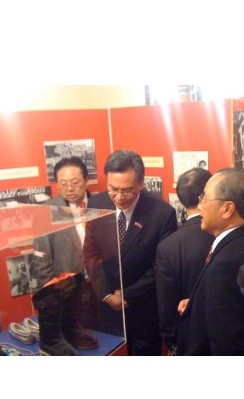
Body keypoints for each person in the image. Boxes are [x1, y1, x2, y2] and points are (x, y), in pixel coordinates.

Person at [176, 168, 244, 355]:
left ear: (227, 209)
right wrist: (198, 300)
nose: (200, 206)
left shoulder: (230, 262)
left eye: (204, 199)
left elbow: (228, 342)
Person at [85, 149, 178, 355]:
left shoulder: (162, 213)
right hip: (107, 304)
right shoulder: (97, 204)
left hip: (143, 308)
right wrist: (106, 294)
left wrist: (127, 294)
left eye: (127, 190)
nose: (119, 197)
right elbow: (91, 253)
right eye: (112, 189)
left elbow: (161, 266)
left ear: (141, 183)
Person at [32, 156, 98, 355]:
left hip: (99, 284)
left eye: (75, 182)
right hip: (68, 288)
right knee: (70, 336)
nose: (69, 188)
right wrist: (51, 292)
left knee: (102, 335)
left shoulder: (101, 204)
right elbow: (42, 258)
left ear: (86, 180)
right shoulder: (46, 212)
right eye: (63, 183)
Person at [155, 167, 214, 355]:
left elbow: (166, 302)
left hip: (186, 336)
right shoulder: (223, 235)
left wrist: (171, 339)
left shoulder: (168, 246)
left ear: (181, 199)